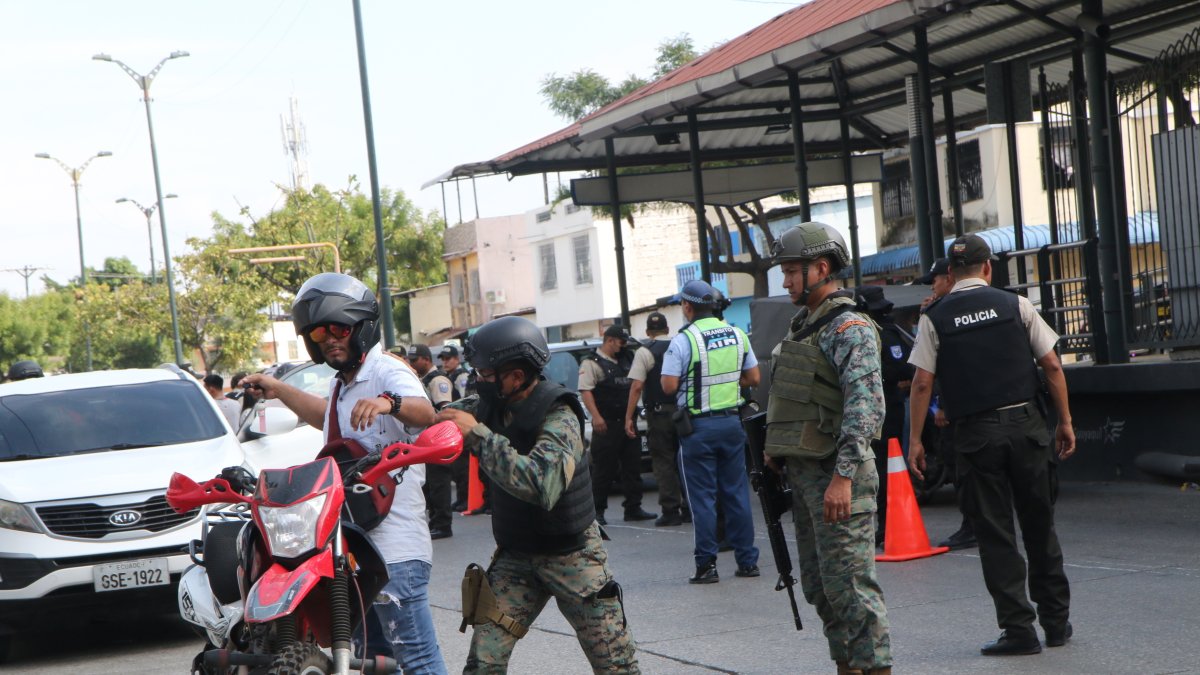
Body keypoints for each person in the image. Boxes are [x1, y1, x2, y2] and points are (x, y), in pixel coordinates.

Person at [242, 272, 447, 674]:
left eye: (339, 328)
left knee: (416, 658)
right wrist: (279, 389)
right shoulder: (344, 384)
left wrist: (389, 403)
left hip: (395, 547)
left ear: (361, 328)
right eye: (319, 333)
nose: (330, 339)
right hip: (355, 548)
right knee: (373, 661)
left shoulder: (386, 370)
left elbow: (426, 413)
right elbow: (328, 418)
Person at [436, 316, 640, 674]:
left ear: (516, 376)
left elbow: (541, 485)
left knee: (616, 666)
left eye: (485, 373)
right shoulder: (493, 403)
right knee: (483, 665)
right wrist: (391, 404)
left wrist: (479, 437)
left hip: (572, 557)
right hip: (517, 556)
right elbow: (438, 417)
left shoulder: (560, 415)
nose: (478, 380)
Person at [908, 234, 1075, 656]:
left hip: (976, 436)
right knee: (1039, 526)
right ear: (987, 268)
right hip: (1027, 427)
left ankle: (1019, 631)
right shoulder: (1016, 305)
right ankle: (1056, 624)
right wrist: (1065, 421)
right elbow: (1052, 365)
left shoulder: (935, 317)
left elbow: (922, 382)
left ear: (950, 273)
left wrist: (915, 440)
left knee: (996, 534)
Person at [764, 222, 891, 675]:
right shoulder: (806, 326)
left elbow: (866, 406)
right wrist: (776, 447)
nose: (785, 281)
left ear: (821, 268)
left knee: (852, 592)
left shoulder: (848, 327)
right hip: (807, 476)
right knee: (822, 589)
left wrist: (843, 477)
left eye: (791, 271)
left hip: (838, 476)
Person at [660, 279, 761, 584]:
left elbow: (668, 385)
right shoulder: (737, 334)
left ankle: (707, 566)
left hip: (698, 429)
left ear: (687, 306)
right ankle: (747, 562)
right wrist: (728, 383)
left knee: (702, 499)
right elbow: (753, 377)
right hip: (731, 424)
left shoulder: (683, 340)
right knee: (737, 494)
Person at [918, 258, 977, 552]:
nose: (932, 285)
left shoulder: (940, 314)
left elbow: (941, 367)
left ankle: (972, 527)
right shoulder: (973, 305)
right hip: (982, 405)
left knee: (962, 468)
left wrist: (941, 404)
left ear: (950, 278)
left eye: (936, 279)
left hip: (956, 408)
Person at [579, 324, 655, 525]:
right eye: (621, 342)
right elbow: (586, 391)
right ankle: (597, 511)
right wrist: (596, 417)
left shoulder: (628, 358)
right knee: (603, 470)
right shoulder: (591, 363)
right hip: (607, 424)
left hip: (628, 422)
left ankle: (633, 507)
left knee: (632, 468)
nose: (623, 346)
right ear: (610, 340)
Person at [858, 286, 913, 549]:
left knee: (884, 469)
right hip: (886, 406)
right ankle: (887, 525)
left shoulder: (881, 332)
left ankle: (887, 526)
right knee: (884, 468)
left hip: (882, 409)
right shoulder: (886, 330)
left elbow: (901, 367)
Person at [623, 311, 689, 527]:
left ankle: (671, 510)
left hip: (659, 414)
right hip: (683, 412)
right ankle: (690, 507)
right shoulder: (680, 345)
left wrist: (629, 417)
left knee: (663, 461)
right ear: (667, 329)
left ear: (647, 332)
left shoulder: (644, 351)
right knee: (685, 459)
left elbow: (636, 386)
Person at [409, 344, 455, 540]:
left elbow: (446, 411)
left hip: (438, 439)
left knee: (439, 484)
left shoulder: (438, 380)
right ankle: (435, 522)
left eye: (415, 360)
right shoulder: (423, 380)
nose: (411, 363)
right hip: (427, 441)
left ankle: (443, 525)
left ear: (426, 360)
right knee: (430, 486)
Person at [438, 344, 473, 510]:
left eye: (448, 359)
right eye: (443, 359)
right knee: (457, 465)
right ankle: (461, 498)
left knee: (462, 465)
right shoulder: (449, 376)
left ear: (457, 359)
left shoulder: (461, 376)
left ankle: (466, 498)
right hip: (454, 423)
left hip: (462, 422)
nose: (445, 362)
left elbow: (467, 399)